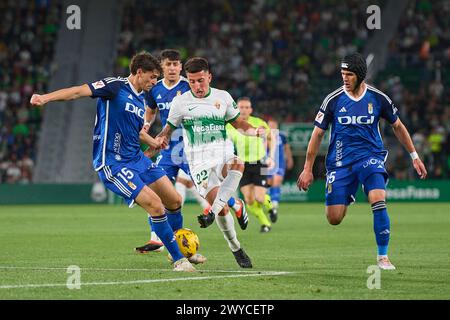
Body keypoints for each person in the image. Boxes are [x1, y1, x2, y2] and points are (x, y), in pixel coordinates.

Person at [30, 51, 200, 272]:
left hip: (137, 158)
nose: (154, 81)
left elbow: (137, 132)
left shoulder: (140, 98)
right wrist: (45, 98)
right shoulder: (115, 86)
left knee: (174, 200)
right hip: (113, 163)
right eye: (152, 76)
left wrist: (154, 143)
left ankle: (177, 247)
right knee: (156, 206)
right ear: (139, 72)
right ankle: (179, 259)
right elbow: (77, 91)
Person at [297, 52, 427, 270]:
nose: (344, 78)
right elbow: (317, 135)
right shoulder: (333, 99)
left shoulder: (378, 98)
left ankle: (383, 257)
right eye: (342, 74)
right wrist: (307, 169)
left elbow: (398, 126)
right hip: (340, 163)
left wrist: (414, 156)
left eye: (349, 74)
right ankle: (348, 193)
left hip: (370, 157)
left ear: (360, 75)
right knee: (334, 218)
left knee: (378, 198)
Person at [156, 57, 265, 268]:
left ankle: (212, 214)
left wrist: (254, 131)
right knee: (223, 210)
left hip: (222, 154)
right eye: (192, 81)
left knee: (237, 163)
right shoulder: (181, 102)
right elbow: (167, 130)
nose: (197, 86)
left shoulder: (222, 97)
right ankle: (236, 247)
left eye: (201, 80)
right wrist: (158, 138)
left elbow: (238, 122)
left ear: (209, 77)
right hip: (198, 164)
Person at [134, 49, 213, 253]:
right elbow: (151, 111)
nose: (172, 68)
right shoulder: (155, 88)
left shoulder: (190, 85)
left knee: (206, 186)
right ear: (161, 66)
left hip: (191, 145)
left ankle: (232, 203)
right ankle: (157, 239)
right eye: (168, 64)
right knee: (157, 190)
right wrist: (146, 126)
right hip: (168, 148)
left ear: (180, 67)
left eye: (175, 64)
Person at [226, 97, 276, 233]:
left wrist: (271, 156)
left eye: (246, 107)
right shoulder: (230, 125)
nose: (244, 110)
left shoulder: (258, 123)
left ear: (251, 109)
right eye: (241, 107)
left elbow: (272, 138)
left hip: (260, 163)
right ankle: (265, 224)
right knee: (249, 200)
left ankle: (271, 207)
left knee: (260, 198)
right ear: (236, 109)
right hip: (242, 165)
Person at [266, 118, 294, 222]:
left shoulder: (282, 136)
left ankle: (275, 205)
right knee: (268, 184)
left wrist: (290, 159)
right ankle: (270, 206)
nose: (272, 127)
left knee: (276, 181)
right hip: (267, 163)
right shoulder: (265, 136)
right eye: (270, 125)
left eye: (273, 125)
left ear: (277, 126)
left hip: (280, 164)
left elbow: (287, 148)